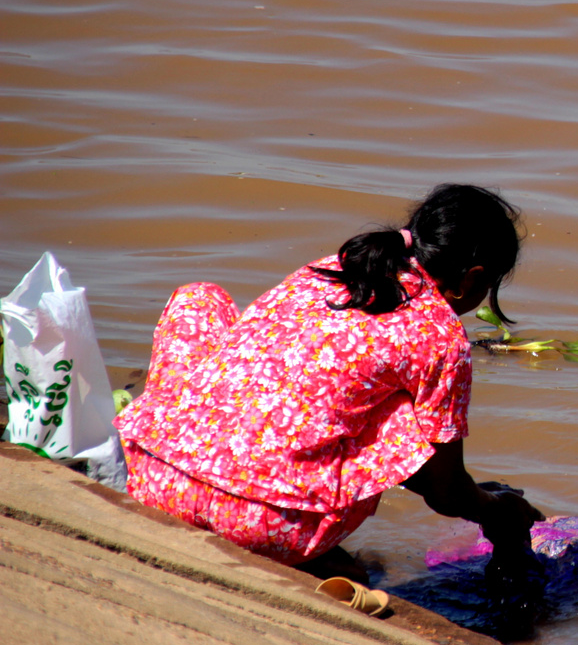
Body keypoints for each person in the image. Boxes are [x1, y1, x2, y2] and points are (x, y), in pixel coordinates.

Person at [116, 184, 544, 583]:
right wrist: (496, 510)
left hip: (154, 480)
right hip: (261, 528)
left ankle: (196, 465)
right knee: (403, 411)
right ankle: (304, 545)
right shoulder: (440, 336)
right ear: (472, 278)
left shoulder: (331, 268)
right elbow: (447, 495)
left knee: (201, 299)